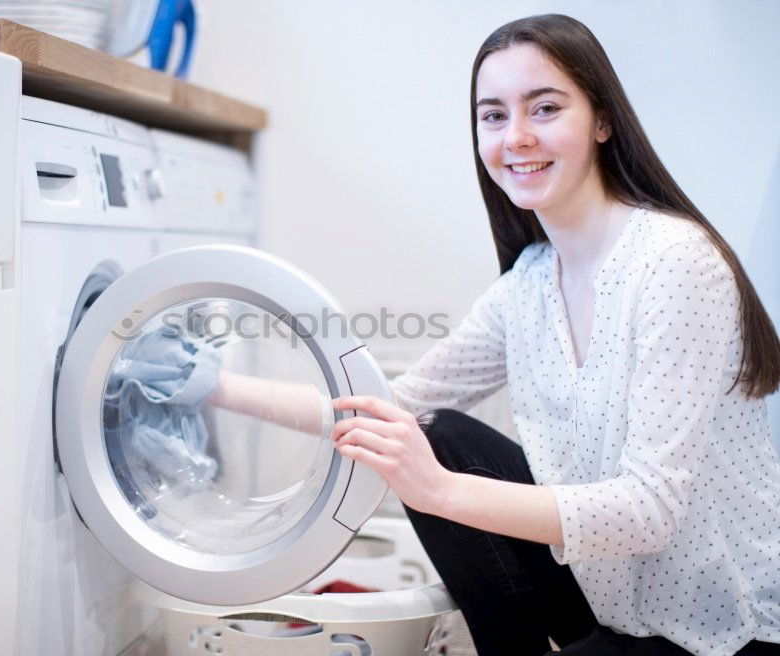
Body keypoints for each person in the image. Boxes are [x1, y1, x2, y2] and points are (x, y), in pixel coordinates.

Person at [327, 14, 780, 656]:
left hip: (717, 629)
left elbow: (649, 510)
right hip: (609, 600)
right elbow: (383, 402)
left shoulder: (675, 261)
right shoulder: (532, 282)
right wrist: (211, 387)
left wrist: (437, 488)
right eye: (492, 116)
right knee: (430, 432)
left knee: (432, 461)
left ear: (602, 121)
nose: (515, 137)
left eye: (544, 108)